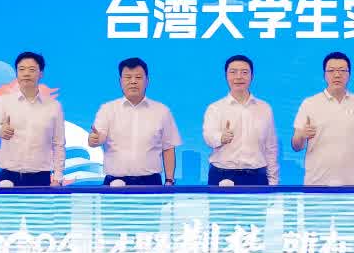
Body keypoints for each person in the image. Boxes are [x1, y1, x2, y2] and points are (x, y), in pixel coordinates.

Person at [90, 57, 182, 186]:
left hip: (151, 182)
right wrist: (94, 139)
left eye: (138, 77)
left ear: (147, 81)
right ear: (120, 81)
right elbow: (97, 138)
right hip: (115, 182)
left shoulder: (162, 111)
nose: (133, 81)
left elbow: (168, 148)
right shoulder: (107, 109)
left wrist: (169, 180)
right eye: (128, 77)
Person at [0, 51, 67, 187]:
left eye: (32, 70)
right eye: (21, 69)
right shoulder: (3, 101)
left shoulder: (54, 106)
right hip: (8, 176)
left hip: (41, 177)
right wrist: (0, 130)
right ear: (17, 73)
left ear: (41, 74)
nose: (26, 74)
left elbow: (59, 144)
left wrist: (58, 178)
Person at [293, 51, 354, 186]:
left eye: (342, 70)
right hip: (316, 186)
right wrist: (302, 135)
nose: (337, 75)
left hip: (351, 186)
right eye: (331, 71)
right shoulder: (309, 104)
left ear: (349, 75)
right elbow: (296, 146)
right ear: (324, 75)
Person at [203, 54, 278, 186]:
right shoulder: (215, 108)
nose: (239, 77)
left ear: (252, 76)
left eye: (244, 72)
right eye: (233, 72)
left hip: (257, 177)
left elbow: (270, 147)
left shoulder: (264, 108)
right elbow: (208, 137)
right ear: (226, 76)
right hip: (222, 174)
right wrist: (221, 138)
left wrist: (273, 181)